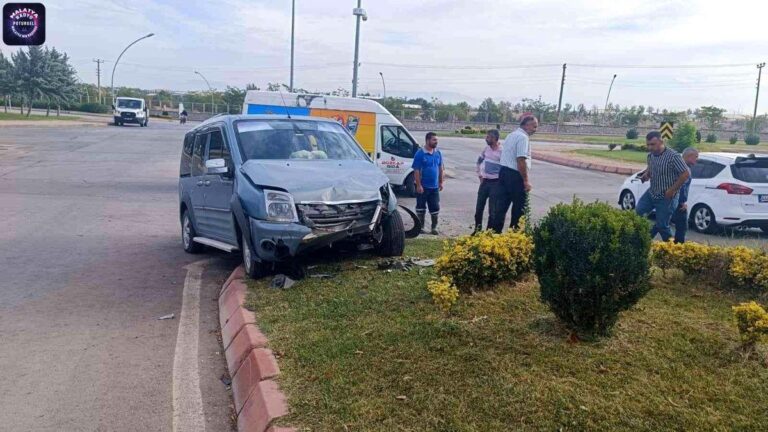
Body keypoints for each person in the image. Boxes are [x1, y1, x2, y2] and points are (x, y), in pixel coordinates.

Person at [635, 131, 690, 241]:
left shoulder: (673, 156)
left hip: (666, 197)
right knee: (638, 213)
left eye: (653, 144)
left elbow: (685, 174)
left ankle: (672, 251)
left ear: (661, 141)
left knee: (662, 226)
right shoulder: (650, 156)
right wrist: (646, 175)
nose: (650, 147)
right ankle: (640, 240)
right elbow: (651, 168)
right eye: (648, 144)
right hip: (652, 193)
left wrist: (673, 190)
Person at [490, 115, 537, 232]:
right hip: (515, 176)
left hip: (503, 173)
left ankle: (494, 238)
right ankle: (514, 239)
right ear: (526, 125)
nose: (535, 129)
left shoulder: (511, 135)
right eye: (534, 126)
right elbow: (521, 160)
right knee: (519, 210)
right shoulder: (523, 138)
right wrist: (526, 180)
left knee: (501, 208)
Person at [412, 132, 444, 235]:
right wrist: (418, 185)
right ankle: (420, 227)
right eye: (434, 140)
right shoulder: (420, 153)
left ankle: (433, 228)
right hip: (423, 187)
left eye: (437, 140)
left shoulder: (438, 153)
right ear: (427, 140)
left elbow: (440, 168)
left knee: (435, 208)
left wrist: (440, 182)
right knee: (421, 208)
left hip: (434, 187)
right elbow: (416, 170)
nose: (436, 142)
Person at [473, 129, 503, 233]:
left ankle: (488, 232)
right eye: (487, 137)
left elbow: (505, 169)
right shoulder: (486, 149)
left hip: (495, 183)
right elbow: (478, 162)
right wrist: (480, 175)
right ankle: (477, 230)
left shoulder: (502, 151)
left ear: (495, 139)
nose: (486, 139)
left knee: (492, 211)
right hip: (485, 182)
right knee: (479, 209)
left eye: (489, 137)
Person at [671, 147, 699, 243]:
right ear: (689, 156)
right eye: (695, 158)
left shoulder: (677, 165)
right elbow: (680, 187)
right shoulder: (684, 169)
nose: (696, 161)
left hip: (670, 199)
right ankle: (677, 248)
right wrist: (682, 202)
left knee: (662, 223)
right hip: (676, 202)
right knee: (682, 226)